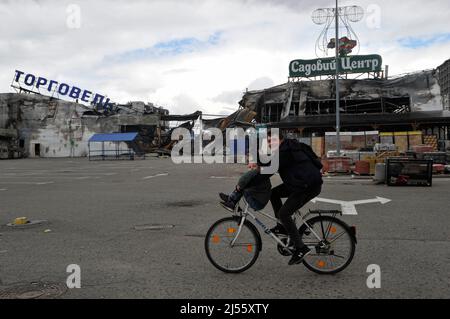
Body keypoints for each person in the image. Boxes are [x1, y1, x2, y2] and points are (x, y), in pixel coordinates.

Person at [265, 133, 323, 266]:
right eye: (268, 141)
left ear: (280, 139)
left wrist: (253, 177)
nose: (269, 144)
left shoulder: (285, 151)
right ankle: (282, 227)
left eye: (272, 140)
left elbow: (270, 168)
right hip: (301, 183)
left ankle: (301, 248)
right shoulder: (291, 146)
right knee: (273, 193)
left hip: (307, 186)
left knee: (284, 213)